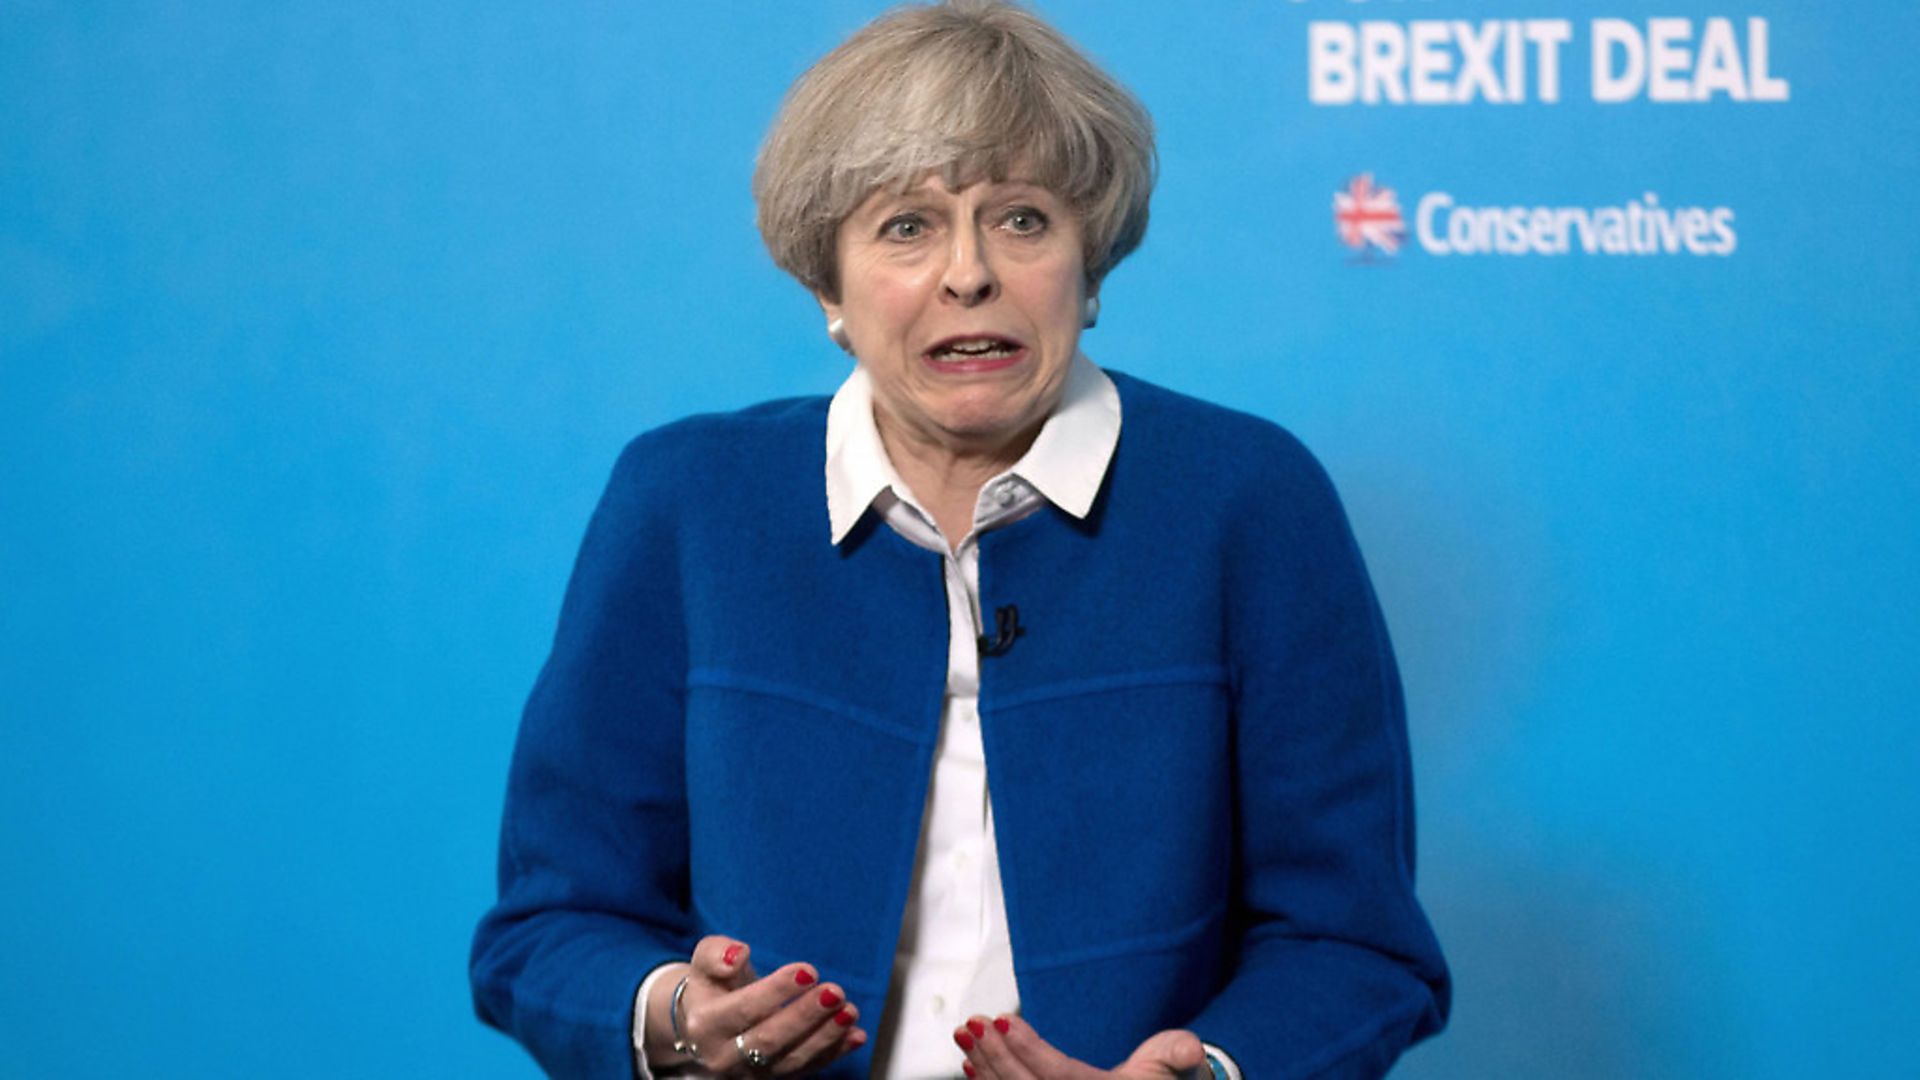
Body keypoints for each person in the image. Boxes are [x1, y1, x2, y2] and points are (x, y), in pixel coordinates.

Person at [470, 3, 1450, 1078]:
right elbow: (548, 927)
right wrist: (670, 1017)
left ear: (1091, 266)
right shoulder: (691, 503)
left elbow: (1357, 946)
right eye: (906, 226)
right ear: (829, 289)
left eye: (1022, 219)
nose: (969, 273)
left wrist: (1206, 1072)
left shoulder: (1249, 501)